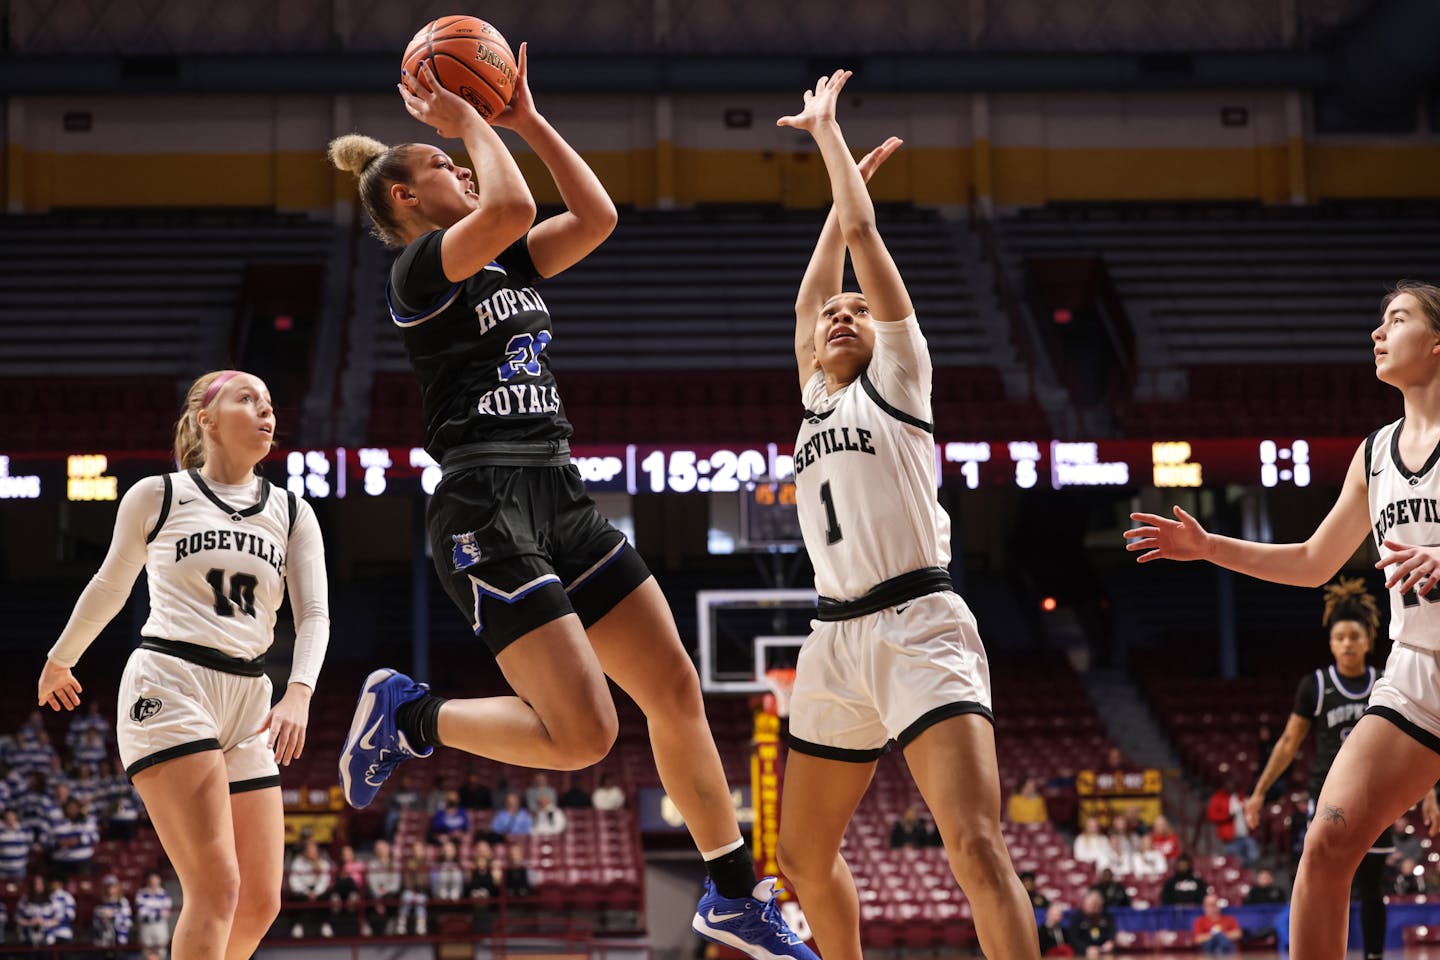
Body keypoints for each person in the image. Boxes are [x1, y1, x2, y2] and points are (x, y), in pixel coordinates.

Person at [330, 48, 813, 960]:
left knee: (675, 688)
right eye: (443, 168)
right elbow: (510, 204)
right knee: (584, 736)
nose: (463, 169)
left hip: (561, 492)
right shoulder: (422, 275)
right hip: (483, 504)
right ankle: (409, 715)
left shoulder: (507, 261)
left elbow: (597, 215)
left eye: (460, 160)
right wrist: (466, 117)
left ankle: (733, 892)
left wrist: (524, 119)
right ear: (403, 199)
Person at [766, 69, 1036, 960]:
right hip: (833, 639)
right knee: (801, 855)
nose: (841, 315)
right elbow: (811, 297)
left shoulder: (901, 378)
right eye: (832, 316)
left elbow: (865, 245)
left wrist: (831, 145)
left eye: (857, 310)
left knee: (976, 846)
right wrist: (835, 218)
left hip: (920, 622)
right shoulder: (814, 399)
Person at [1126, 281, 1440, 960]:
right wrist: (1210, 547)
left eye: (1397, 319)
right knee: (1325, 846)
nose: (1376, 333)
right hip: (1416, 673)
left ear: (1438, 342)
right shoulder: (1375, 454)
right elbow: (1312, 560)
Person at [36, 369, 329, 960]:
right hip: (171, 683)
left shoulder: (293, 512)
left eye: (271, 402)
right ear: (207, 420)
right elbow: (109, 585)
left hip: (251, 697)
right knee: (216, 886)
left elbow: (315, 614)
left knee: (260, 902)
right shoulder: (158, 494)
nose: (266, 412)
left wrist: (298, 692)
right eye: (248, 399)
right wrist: (59, 659)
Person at [1241, 578, 1398, 957]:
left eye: (1353, 636)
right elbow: (1288, 743)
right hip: (1329, 799)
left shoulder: (1385, 683)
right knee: (1327, 883)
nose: (1346, 643)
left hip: (1377, 799)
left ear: (1368, 641)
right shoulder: (1315, 685)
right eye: (1339, 636)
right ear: (1330, 643)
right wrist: (1259, 791)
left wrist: (1428, 796)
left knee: (1373, 889)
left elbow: (1404, 742)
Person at [365, 839, 402, 935]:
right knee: (368, 897)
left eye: (383, 848)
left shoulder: (395, 864)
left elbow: (395, 885)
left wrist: (385, 891)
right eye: (378, 848)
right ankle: (368, 927)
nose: (381, 850)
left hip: (390, 894)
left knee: (394, 897)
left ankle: (392, 923)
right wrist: (378, 898)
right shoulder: (372, 865)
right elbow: (372, 884)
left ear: (389, 849)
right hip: (376, 894)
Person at [1065, 891, 1115, 959]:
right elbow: (1073, 938)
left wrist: (1110, 942)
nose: (1093, 908)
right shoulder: (1077, 918)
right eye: (1091, 905)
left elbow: (1112, 933)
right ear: (1084, 904)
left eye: (1096, 905)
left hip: (1104, 953)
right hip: (1082, 954)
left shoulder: (1107, 916)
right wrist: (1086, 948)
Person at [134, 872, 174, 953]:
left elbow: (166, 911)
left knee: (161, 950)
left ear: (159, 881)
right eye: (152, 880)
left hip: (160, 926)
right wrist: (159, 913)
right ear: (148, 881)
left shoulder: (164, 894)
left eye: (156, 880)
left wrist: (150, 910)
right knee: (146, 951)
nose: (154, 883)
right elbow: (142, 913)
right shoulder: (141, 894)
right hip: (146, 926)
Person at [93, 876, 135, 950]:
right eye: (108, 887)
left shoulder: (123, 902)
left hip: (120, 937)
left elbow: (127, 920)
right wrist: (103, 919)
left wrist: (113, 916)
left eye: (113, 887)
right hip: (104, 938)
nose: (111, 890)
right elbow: (96, 921)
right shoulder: (100, 903)